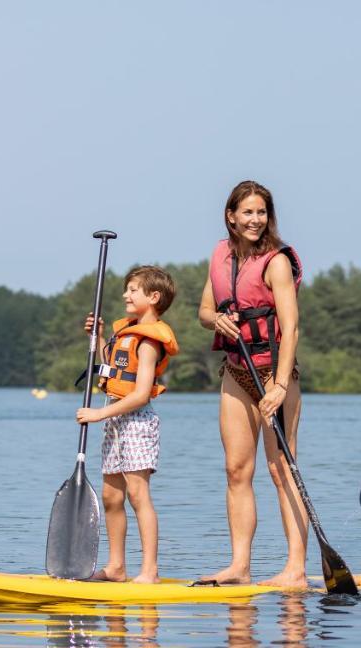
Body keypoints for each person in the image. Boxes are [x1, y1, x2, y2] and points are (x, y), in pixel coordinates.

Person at [198, 180, 308, 588]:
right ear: (231, 215)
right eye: (247, 212)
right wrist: (216, 320)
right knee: (236, 469)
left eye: (261, 212)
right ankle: (240, 566)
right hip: (236, 372)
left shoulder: (276, 261)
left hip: (273, 373)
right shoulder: (220, 255)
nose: (255, 220)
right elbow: (205, 309)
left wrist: (279, 385)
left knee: (282, 469)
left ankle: (295, 569)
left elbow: (292, 327)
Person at [76, 265, 180, 583]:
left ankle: (149, 570)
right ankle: (117, 567)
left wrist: (98, 415)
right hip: (116, 420)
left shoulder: (149, 341)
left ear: (154, 296)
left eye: (133, 289)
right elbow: (112, 366)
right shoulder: (126, 333)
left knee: (138, 495)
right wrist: (97, 335)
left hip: (136, 422)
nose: (126, 294)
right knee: (111, 497)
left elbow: (139, 394)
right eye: (127, 288)